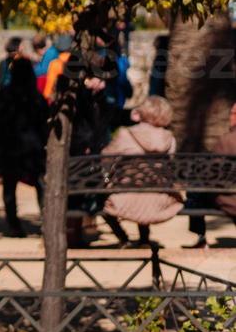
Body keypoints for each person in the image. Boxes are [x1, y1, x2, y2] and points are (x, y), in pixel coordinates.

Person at [101, 96, 183, 246]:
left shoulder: (125, 133)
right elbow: (171, 165)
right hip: (160, 199)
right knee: (146, 188)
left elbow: (106, 158)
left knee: (103, 199)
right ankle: (144, 239)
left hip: (124, 199)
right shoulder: (170, 138)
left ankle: (124, 239)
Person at [0, 58, 49, 237]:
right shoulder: (35, 97)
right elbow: (45, 125)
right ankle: (46, 222)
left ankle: (14, 225)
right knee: (39, 185)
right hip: (29, 149)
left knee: (11, 187)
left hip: (10, 149)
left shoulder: (3, 95)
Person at [189, 103, 236, 248]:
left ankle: (201, 237)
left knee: (195, 191)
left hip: (230, 198)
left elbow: (212, 173)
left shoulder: (226, 140)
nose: (230, 117)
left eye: (233, 114)